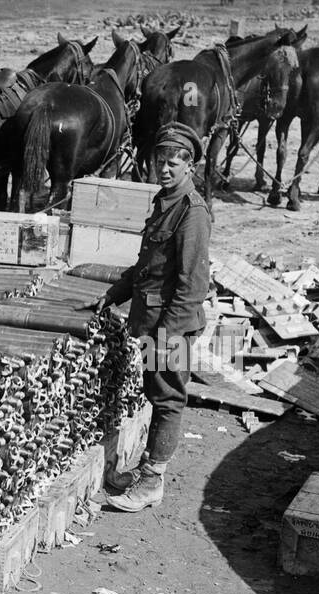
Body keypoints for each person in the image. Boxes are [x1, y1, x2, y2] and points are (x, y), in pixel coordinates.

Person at [79, 122, 211, 513]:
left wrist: (168, 334)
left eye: (173, 163)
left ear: (190, 166)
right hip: (153, 320)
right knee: (155, 392)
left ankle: (153, 481)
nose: (164, 169)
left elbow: (192, 284)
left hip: (172, 326)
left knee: (168, 398)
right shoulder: (164, 202)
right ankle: (146, 471)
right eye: (160, 161)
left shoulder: (192, 213)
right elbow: (146, 265)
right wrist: (113, 294)